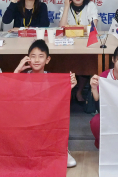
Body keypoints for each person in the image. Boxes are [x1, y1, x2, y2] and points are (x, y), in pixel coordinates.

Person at [13, 40, 78, 168]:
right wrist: (17, 70)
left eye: (41, 56)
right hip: (27, 120)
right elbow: (8, 94)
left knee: (59, 116)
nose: (37, 60)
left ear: (47, 60)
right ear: (27, 58)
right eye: (33, 56)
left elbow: (59, 102)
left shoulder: (53, 79)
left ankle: (61, 150)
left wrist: (69, 87)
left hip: (47, 120)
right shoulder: (22, 78)